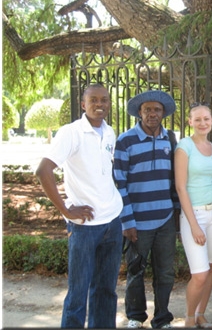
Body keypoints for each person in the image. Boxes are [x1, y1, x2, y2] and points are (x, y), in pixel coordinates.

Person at [36, 83, 123, 328]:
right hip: (85, 226)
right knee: (78, 294)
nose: (100, 104)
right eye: (93, 100)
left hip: (112, 221)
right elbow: (43, 171)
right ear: (83, 104)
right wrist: (65, 210)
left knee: (106, 290)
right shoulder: (71, 133)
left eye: (104, 100)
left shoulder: (110, 132)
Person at [113, 90, 178, 329]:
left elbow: (174, 180)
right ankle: (136, 317)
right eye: (148, 109)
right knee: (135, 272)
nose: (152, 113)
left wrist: (177, 215)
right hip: (137, 222)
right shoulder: (126, 140)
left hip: (165, 220)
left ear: (163, 114)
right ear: (139, 112)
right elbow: (119, 182)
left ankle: (162, 318)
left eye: (157, 110)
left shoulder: (170, 140)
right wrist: (127, 221)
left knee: (165, 273)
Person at [174, 102, 212, 328]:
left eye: (206, 118)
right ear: (190, 122)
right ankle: (189, 318)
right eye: (197, 119)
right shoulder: (184, 147)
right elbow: (180, 187)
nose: (202, 123)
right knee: (200, 273)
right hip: (194, 214)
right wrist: (194, 225)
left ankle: (201, 314)